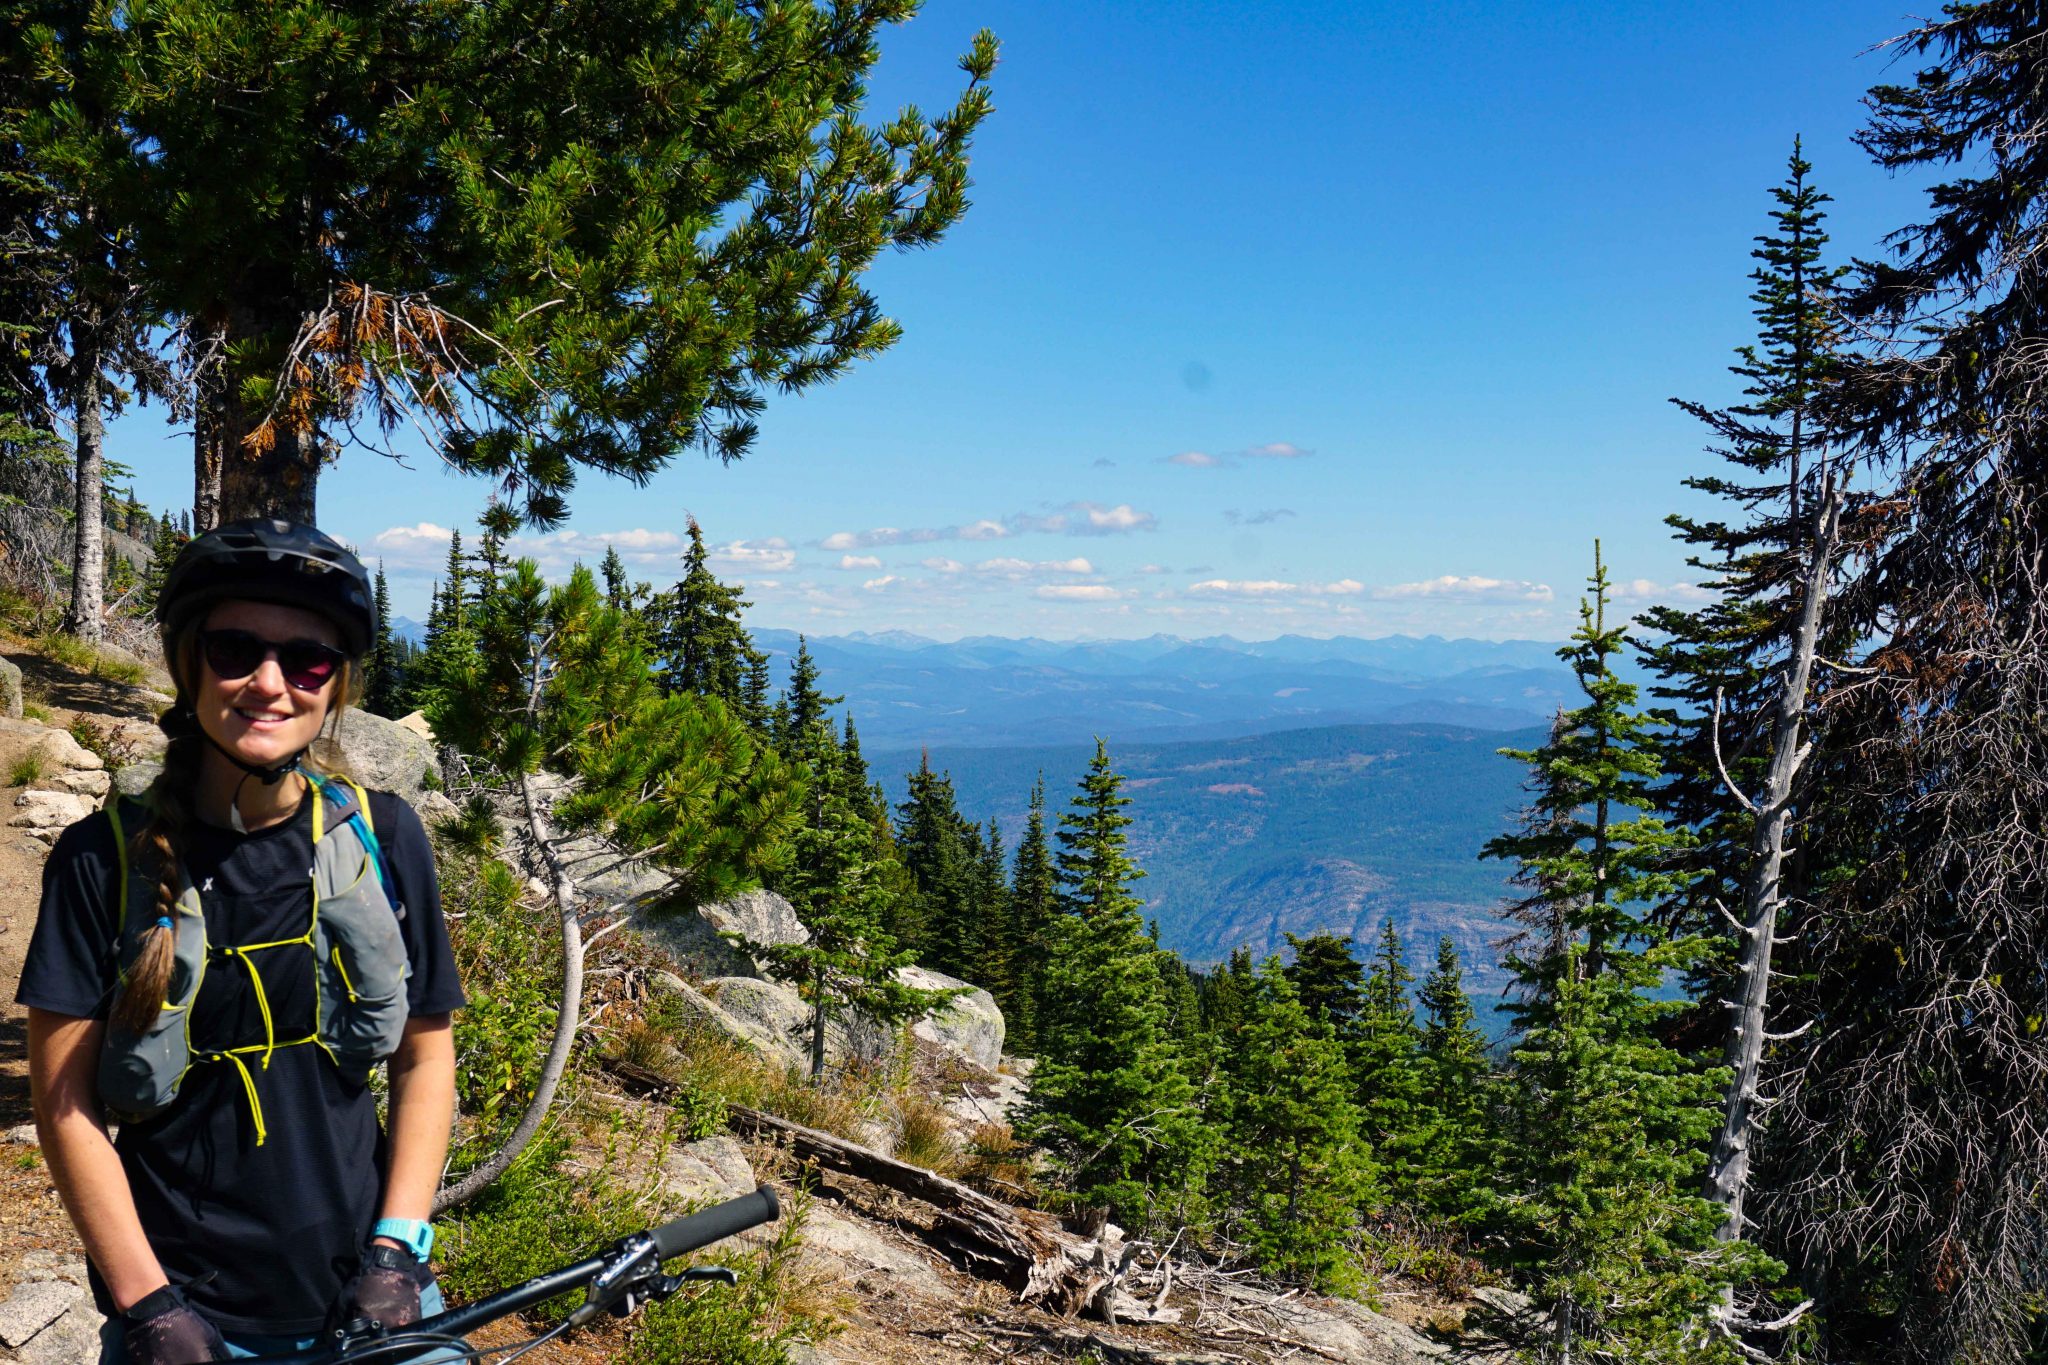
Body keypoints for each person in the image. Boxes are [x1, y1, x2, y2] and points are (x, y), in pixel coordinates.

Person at [18, 519, 466, 1363]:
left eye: (307, 661)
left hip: (370, 1292)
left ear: (336, 684)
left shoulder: (384, 834)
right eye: (235, 649)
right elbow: (65, 1105)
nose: (270, 683)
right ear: (190, 663)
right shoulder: (98, 860)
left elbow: (424, 1054)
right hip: (189, 1313)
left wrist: (399, 1249)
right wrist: (149, 1305)